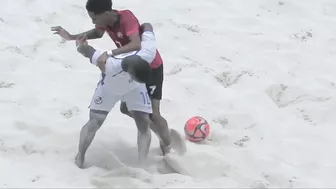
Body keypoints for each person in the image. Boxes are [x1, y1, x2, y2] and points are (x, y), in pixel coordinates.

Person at [51, 0, 186, 155]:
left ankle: (167, 145)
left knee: (154, 114)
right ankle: (160, 133)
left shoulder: (126, 18)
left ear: (106, 13)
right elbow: (98, 33)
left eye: (95, 18)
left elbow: (136, 44)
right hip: (130, 66)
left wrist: (108, 53)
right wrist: (71, 37)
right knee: (127, 109)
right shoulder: (106, 21)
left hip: (150, 67)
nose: (93, 21)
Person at [73, 24, 158, 168]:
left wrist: (142, 27)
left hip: (135, 88)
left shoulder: (148, 53)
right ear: (130, 72)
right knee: (94, 122)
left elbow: (148, 26)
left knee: (144, 123)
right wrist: (80, 46)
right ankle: (80, 157)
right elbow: (87, 51)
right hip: (109, 89)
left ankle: (142, 163)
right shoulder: (109, 64)